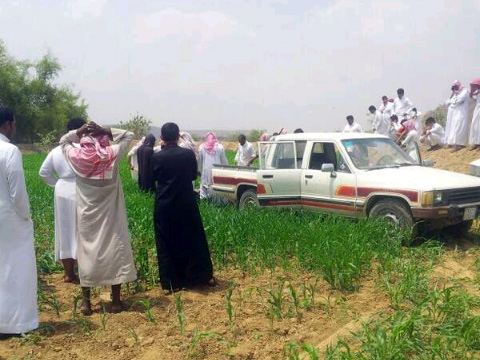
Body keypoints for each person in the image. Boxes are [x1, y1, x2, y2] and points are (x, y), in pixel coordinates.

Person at [60, 122, 137, 315]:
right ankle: (116, 302)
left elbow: (63, 141)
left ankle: (86, 304)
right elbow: (129, 134)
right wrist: (105, 130)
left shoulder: (76, 158)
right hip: (111, 214)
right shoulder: (111, 155)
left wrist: (78, 132)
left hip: (87, 215)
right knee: (114, 249)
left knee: (86, 253)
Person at [152, 122, 215, 294]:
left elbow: (152, 178)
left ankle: (170, 283)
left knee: (166, 241)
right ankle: (202, 276)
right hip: (186, 202)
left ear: (162, 138)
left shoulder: (156, 156)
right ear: (178, 137)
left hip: (164, 203)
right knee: (194, 238)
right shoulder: (187, 154)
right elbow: (193, 175)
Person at [0, 107, 38, 337]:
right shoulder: (10, 151)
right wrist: (26, 216)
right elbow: (17, 193)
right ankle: (16, 323)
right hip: (9, 219)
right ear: (7, 125)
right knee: (15, 270)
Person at [39, 117, 86, 283]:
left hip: (63, 191)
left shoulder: (56, 150)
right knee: (82, 230)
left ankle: (68, 273)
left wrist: (58, 184)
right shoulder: (85, 149)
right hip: (82, 189)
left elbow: (43, 173)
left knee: (64, 230)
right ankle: (85, 271)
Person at [198, 132, 228, 200]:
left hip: (206, 171)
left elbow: (200, 161)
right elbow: (224, 161)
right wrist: (226, 170)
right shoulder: (220, 147)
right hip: (218, 171)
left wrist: (199, 170)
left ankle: (205, 201)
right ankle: (217, 202)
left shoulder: (202, 147)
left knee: (205, 186)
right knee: (216, 186)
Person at [445, 80, 470, 152]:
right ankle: (454, 144)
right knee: (454, 127)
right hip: (456, 113)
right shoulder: (455, 93)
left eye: (456, 86)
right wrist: (452, 95)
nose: (455, 88)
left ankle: (459, 145)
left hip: (462, 112)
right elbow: (447, 102)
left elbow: (459, 100)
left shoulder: (465, 91)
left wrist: (453, 100)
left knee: (459, 127)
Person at [469, 78, 480, 150]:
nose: (475, 86)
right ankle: (475, 143)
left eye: (476, 85)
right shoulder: (477, 92)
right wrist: (472, 93)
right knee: (474, 125)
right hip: (477, 109)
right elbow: (474, 98)